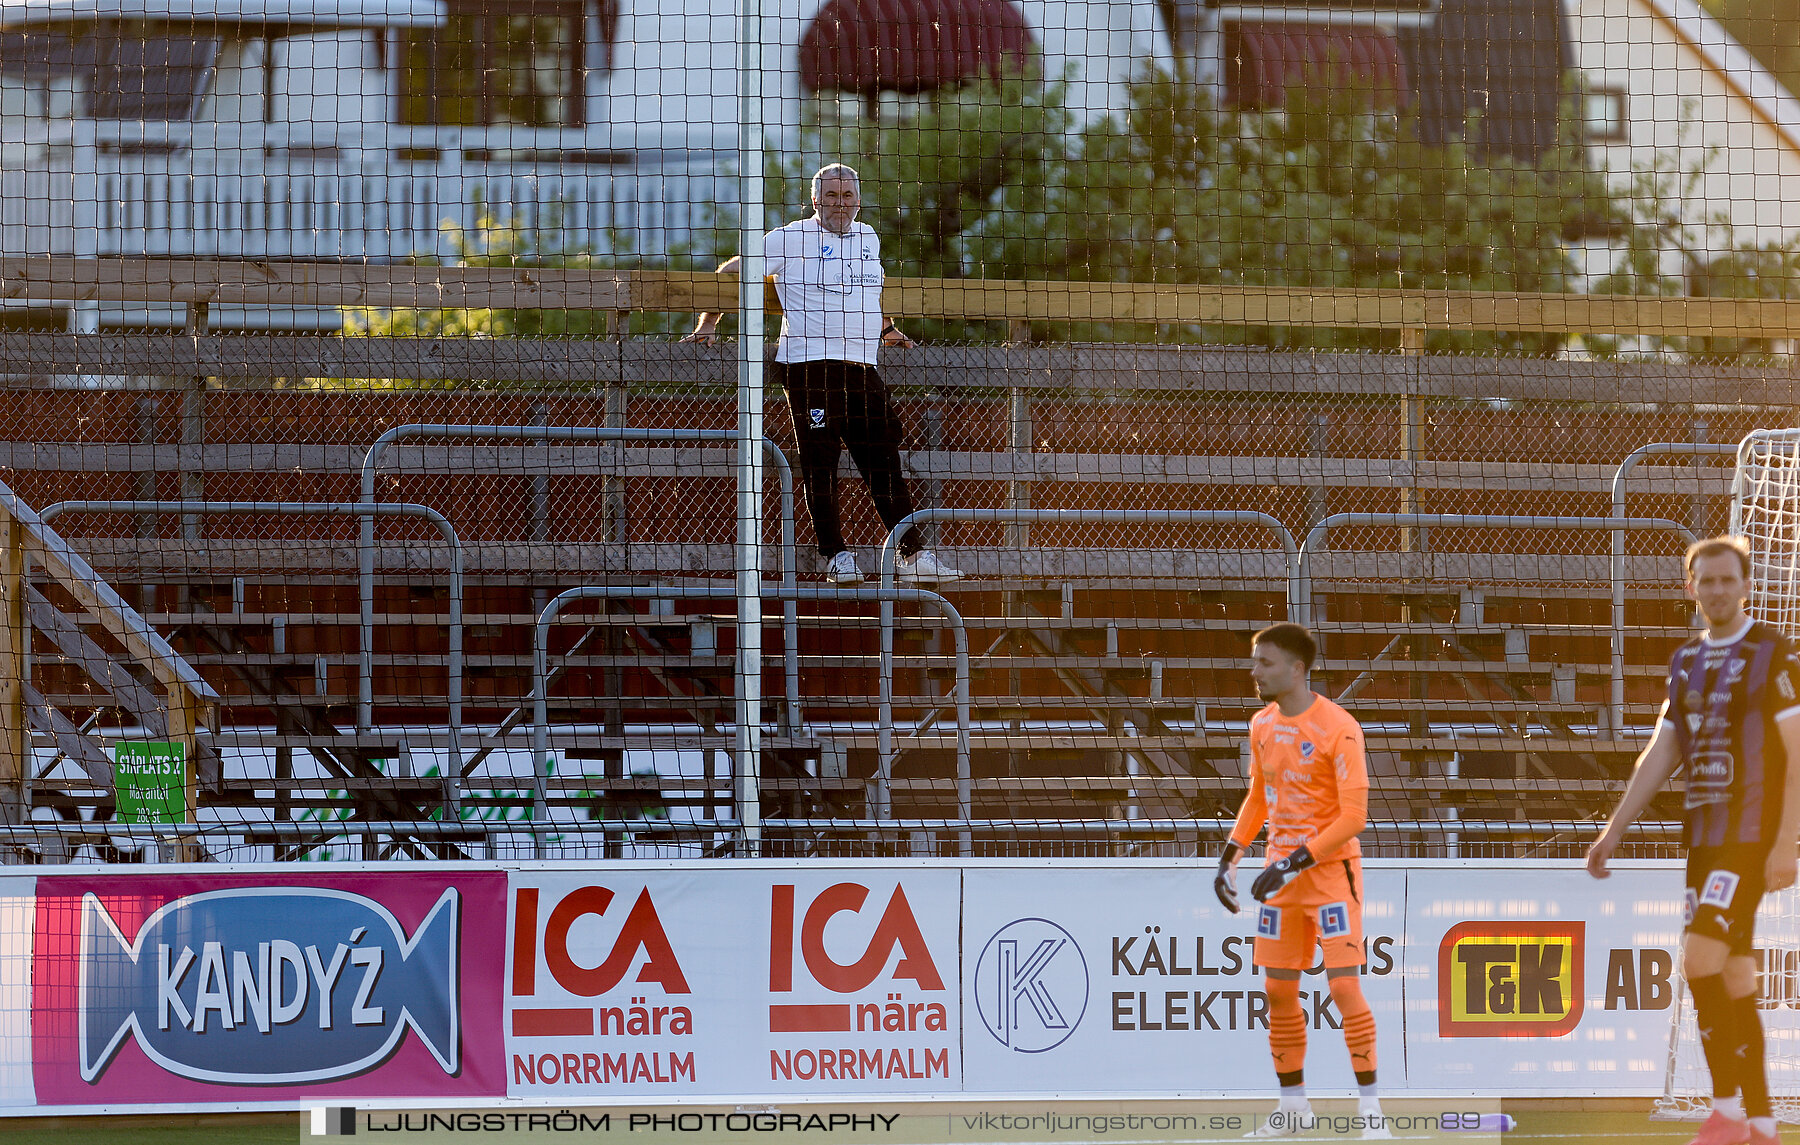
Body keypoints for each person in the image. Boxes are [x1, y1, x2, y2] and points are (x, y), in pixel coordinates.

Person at [1587, 535, 1800, 1145]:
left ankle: (1728, 1112)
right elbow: (1662, 751)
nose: (1717, 590)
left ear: (1747, 584)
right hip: (1704, 839)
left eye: (1727, 579)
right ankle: (1761, 1123)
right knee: (1733, 976)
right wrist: (1613, 829)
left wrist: (1787, 842)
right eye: (1705, 581)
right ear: (1691, 588)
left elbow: (1796, 751)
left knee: (1698, 960)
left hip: (1752, 838)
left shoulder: (1774, 654)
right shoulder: (1686, 662)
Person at [683, 162, 961, 586]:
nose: (840, 204)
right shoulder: (790, 238)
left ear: (859, 200)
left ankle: (912, 554)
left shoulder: (868, 237)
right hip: (811, 367)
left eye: (847, 196)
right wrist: (707, 324)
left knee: (884, 460)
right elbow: (731, 272)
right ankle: (836, 556)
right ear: (815, 200)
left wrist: (885, 328)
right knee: (820, 463)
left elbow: (866, 290)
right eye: (831, 196)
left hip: (862, 368)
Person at [1216, 622, 1389, 1139]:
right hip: (1281, 881)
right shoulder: (1262, 725)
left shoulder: (1340, 727)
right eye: (1254, 662)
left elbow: (1355, 817)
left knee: (1343, 988)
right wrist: (1231, 855)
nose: (1254, 671)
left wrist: (1291, 863)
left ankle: (1371, 1111)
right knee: (1277, 991)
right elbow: (1259, 795)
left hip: (1331, 875)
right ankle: (1292, 1107)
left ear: (1297, 669)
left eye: (1264, 663)